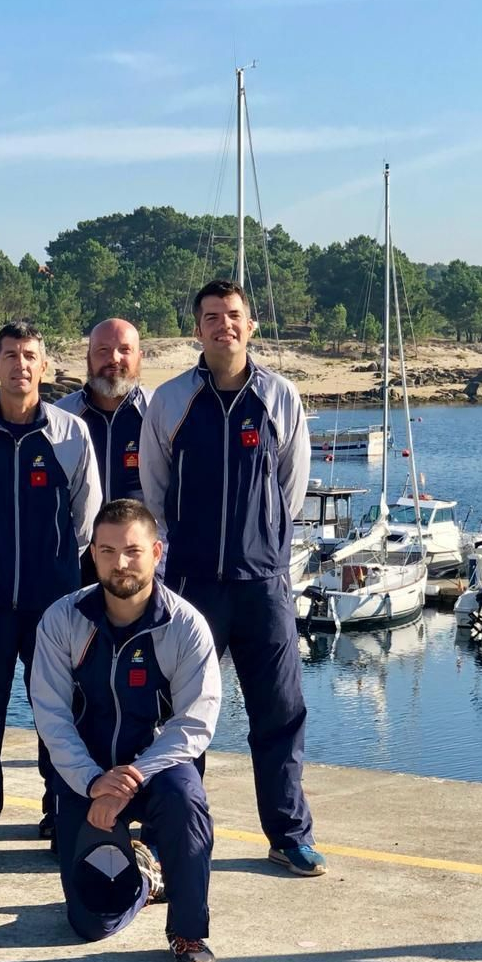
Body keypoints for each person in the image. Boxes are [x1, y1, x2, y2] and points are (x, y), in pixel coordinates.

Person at [140, 278, 325, 876]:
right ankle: (177, 832)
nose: (224, 325)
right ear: (198, 329)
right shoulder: (170, 401)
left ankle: (288, 833)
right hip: (193, 586)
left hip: (263, 583)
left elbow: (290, 490)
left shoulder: (280, 397)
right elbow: (156, 491)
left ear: (251, 326)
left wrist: (264, 543)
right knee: (182, 715)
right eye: (212, 316)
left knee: (279, 712)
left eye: (234, 316)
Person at [31, 500, 221, 962]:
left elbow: (196, 722)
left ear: (157, 552)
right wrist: (94, 782)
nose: (120, 563)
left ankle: (188, 932)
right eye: (108, 551)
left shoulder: (185, 625)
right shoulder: (61, 620)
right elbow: (51, 717)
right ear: (91, 555)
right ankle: (144, 881)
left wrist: (133, 777)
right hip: (86, 776)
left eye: (133, 551)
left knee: (187, 800)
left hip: (156, 771)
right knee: (91, 923)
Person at [0, 320, 100, 858]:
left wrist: (53, 568)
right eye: (10, 355)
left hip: (53, 602)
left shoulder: (70, 434)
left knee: (56, 709)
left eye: (30, 355)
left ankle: (61, 808)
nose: (20, 365)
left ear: (45, 365)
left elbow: (85, 521)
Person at [56, 318, 149, 505]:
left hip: (144, 533)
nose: (114, 358)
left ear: (139, 357)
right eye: (103, 350)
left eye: (124, 350)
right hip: (81, 534)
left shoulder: (158, 412)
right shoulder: (60, 416)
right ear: (88, 357)